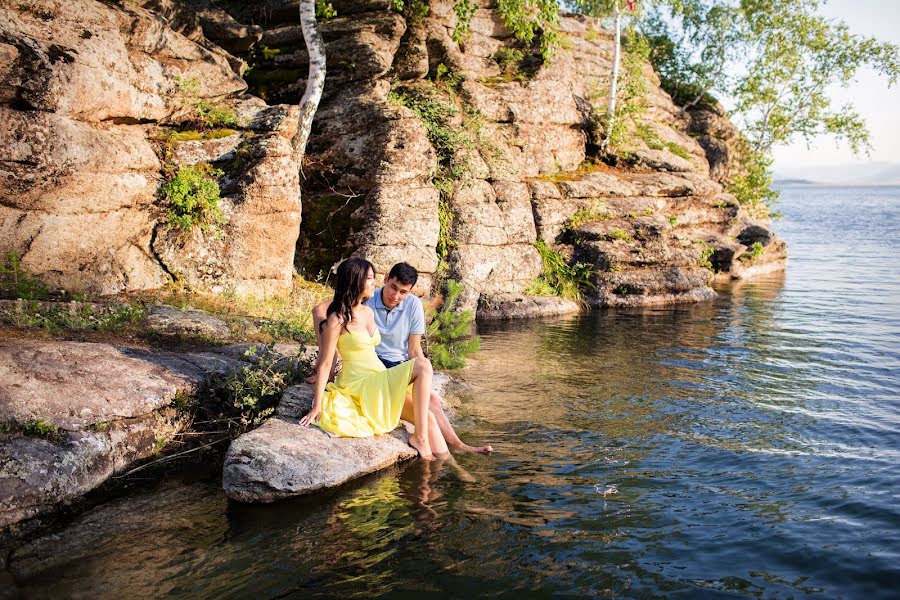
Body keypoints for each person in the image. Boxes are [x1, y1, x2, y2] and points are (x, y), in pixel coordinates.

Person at [308, 261, 492, 455]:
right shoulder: (348, 311)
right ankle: (423, 439)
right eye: (372, 279)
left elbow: (414, 350)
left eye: (403, 292)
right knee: (423, 373)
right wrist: (321, 385)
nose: (394, 295)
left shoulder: (381, 309)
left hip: (386, 371)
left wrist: (422, 383)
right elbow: (326, 346)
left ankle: (454, 458)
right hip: (364, 381)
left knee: (429, 407)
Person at [298, 258, 442, 461]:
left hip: (379, 379)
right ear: (356, 281)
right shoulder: (337, 319)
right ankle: (421, 440)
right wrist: (317, 405)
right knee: (423, 365)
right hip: (359, 385)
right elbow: (326, 362)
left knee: (428, 417)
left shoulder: (368, 311)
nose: (375, 283)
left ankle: (453, 468)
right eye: (370, 278)